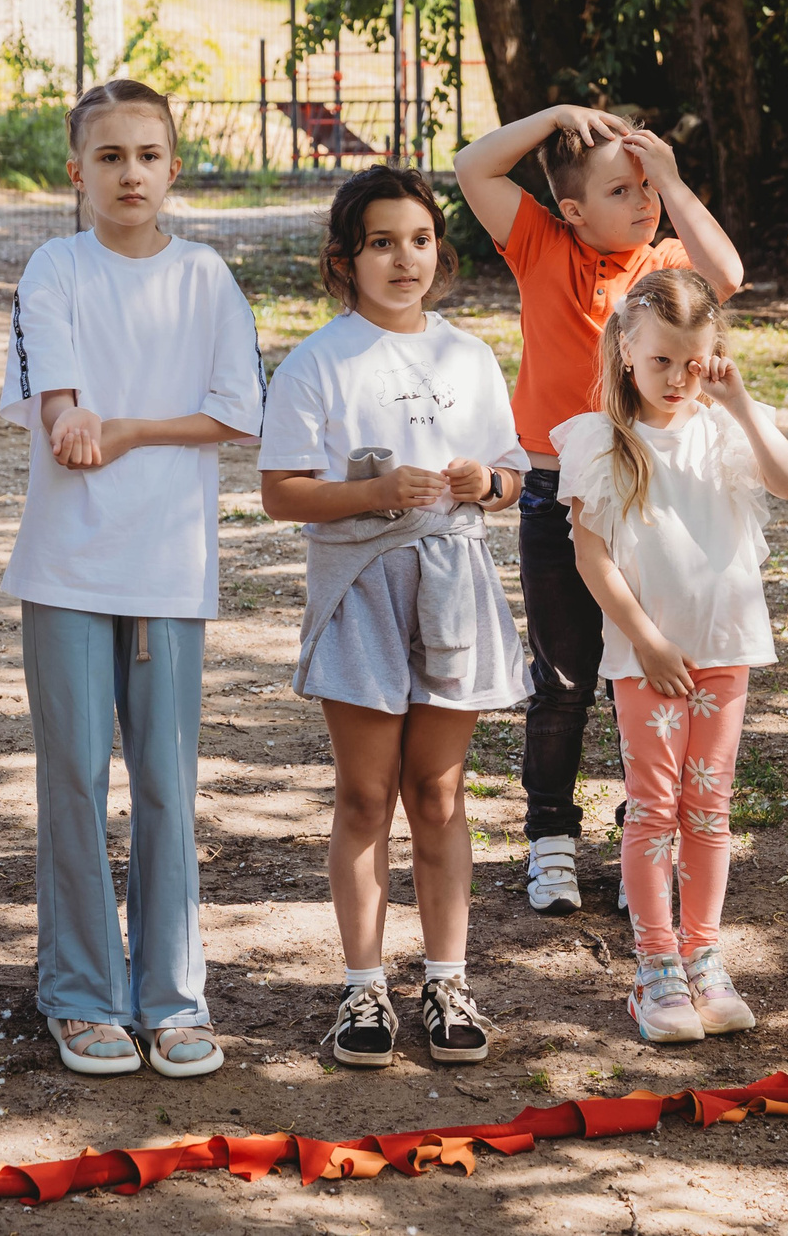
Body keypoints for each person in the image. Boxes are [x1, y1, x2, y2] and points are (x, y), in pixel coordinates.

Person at [0, 80, 264, 1079]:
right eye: (109, 156)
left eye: (147, 155)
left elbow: (238, 409)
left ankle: (173, 997)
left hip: (168, 569)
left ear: (173, 167)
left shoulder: (205, 277)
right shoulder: (55, 267)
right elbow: (56, 392)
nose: (129, 174)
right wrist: (73, 415)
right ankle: (79, 993)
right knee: (74, 780)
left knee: (165, 784)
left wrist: (134, 428)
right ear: (77, 171)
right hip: (68, 566)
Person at [261, 166, 529, 1067]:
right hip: (362, 590)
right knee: (366, 795)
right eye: (382, 243)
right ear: (346, 259)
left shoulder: (469, 357)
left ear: (439, 252)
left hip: (454, 585)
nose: (404, 259)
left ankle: (448, 980)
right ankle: (363, 987)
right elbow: (281, 492)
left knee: (439, 793)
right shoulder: (318, 362)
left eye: (419, 240)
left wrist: (487, 482)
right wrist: (375, 492)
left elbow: (514, 475)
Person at [451, 107, 743, 916]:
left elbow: (726, 275)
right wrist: (551, 117)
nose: (644, 201)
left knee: (640, 675)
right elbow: (473, 167)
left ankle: (641, 840)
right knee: (564, 677)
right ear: (573, 209)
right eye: (623, 189)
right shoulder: (541, 244)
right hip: (554, 491)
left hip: (650, 492)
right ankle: (550, 836)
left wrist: (671, 177)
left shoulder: (663, 264)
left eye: (648, 186)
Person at [554, 268, 788, 1041]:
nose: (674, 378)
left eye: (691, 363)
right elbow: (592, 557)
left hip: (724, 647)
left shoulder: (726, 425)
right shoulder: (601, 440)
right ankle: (656, 966)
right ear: (627, 348)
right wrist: (647, 638)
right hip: (649, 657)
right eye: (659, 360)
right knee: (654, 808)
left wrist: (739, 402)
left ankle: (704, 955)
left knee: (709, 807)